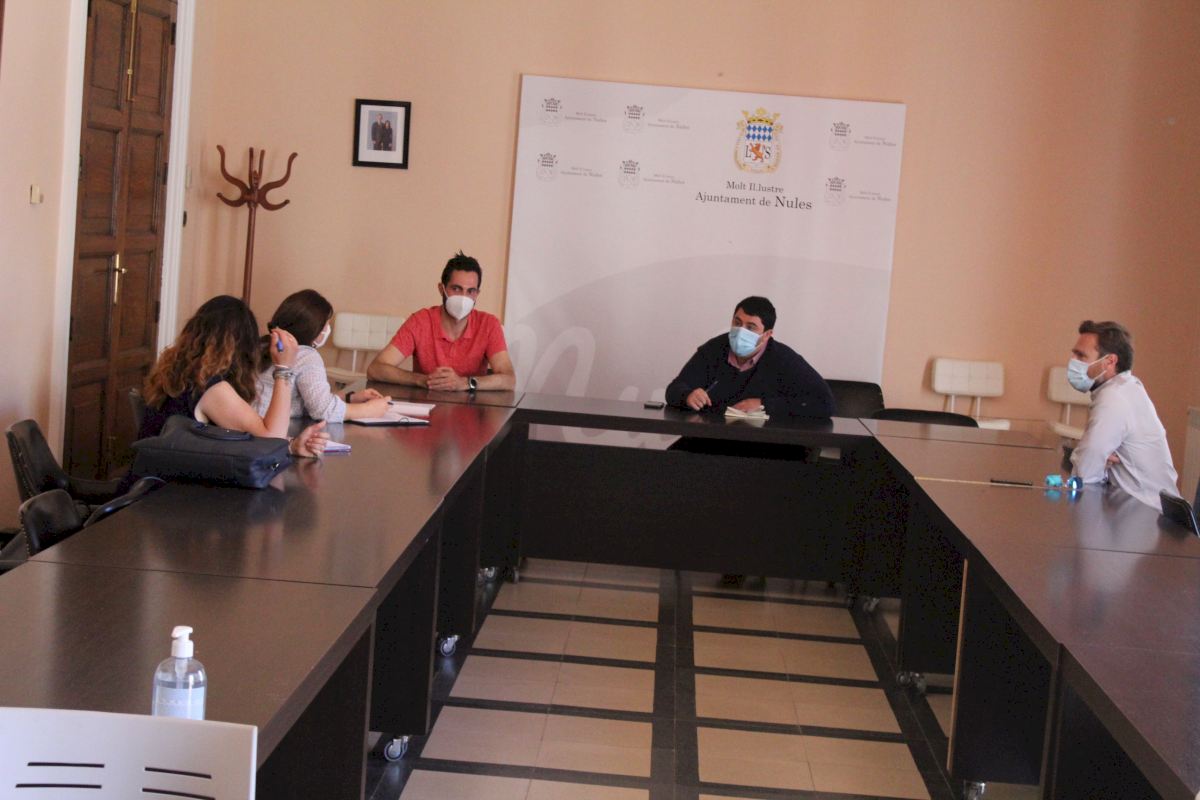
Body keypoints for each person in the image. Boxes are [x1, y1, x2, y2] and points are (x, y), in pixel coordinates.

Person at [139, 295, 328, 458]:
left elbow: (246, 436)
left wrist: (292, 445)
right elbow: (271, 441)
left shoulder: (180, 373)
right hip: (171, 486)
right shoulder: (211, 389)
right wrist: (284, 369)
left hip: (154, 479)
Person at [1067, 319, 1178, 509]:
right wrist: (1096, 459)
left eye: (1081, 355)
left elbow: (1084, 474)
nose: (1072, 361)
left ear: (1109, 361)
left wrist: (1090, 459)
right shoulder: (1124, 388)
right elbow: (1092, 460)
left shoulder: (1114, 398)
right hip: (1134, 506)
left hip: (1147, 513)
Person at [366, 251, 516, 391]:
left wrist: (465, 383)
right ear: (441, 289)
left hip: (471, 406)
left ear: (477, 294)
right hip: (426, 404)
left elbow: (509, 379)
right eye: (456, 289)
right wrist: (422, 380)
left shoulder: (488, 324)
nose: (463, 297)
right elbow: (376, 369)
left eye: (471, 291)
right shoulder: (420, 321)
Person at [665, 296, 834, 417]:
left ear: (767, 334)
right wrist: (687, 395)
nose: (741, 331)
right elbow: (674, 389)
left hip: (765, 442)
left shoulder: (784, 359)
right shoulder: (714, 349)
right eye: (737, 323)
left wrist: (764, 404)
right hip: (713, 436)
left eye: (751, 327)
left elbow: (825, 403)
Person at [252, 289, 392, 422]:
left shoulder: (264, 344)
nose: (328, 329)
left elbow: (310, 400)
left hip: (252, 425)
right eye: (326, 324)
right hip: (270, 430)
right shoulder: (306, 356)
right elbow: (322, 410)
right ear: (313, 328)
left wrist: (349, 398)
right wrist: (369, 410)